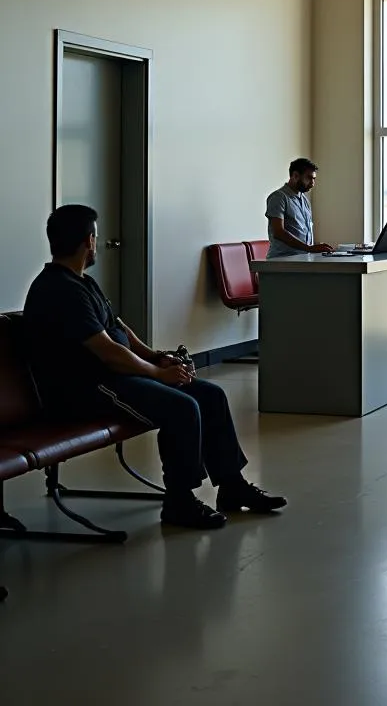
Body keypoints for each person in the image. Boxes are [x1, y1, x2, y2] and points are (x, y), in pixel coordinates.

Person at [23, 205, 287, 529]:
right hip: (88, 389)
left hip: (112, 379)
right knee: (182, 407)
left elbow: (119, 330)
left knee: (211, 395)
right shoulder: (59, 290)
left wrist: (154, 357)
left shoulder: (82, 283)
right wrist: (158, 374)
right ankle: (179, 501)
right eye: (96, 237)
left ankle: (231, 486)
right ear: (89, 241)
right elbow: (108, 352)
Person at [265, 157, 334, 258]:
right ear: (295, 176)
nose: (312, 183)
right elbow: (278, 232)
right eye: (309, 178)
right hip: (281, 261)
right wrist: (309, 248)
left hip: (302, 259)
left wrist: (313, 249)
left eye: (314, 179)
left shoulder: (304, 200)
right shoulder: (278, 197)